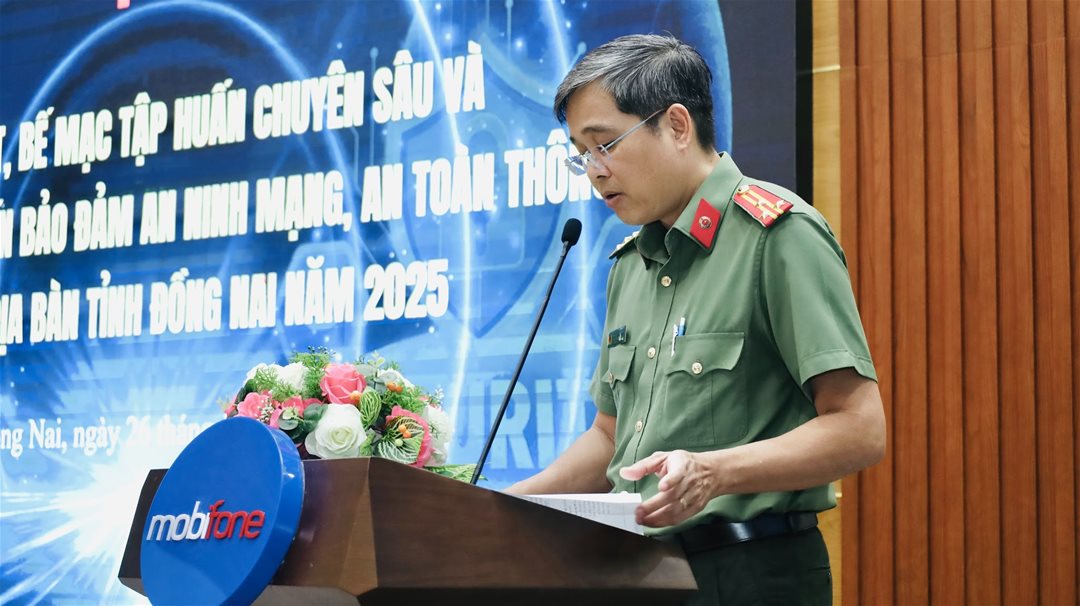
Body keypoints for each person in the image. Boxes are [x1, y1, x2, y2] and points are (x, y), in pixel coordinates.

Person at [505, 34, 886, 605]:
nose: (594, 171)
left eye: (605, 144)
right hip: (638, 574)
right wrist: (506, 505)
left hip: (751, 573)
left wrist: (716, 472)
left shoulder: (778, 235)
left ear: (678, 125)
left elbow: (859, 428)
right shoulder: (630, 265)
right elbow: (609, 437)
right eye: (581, 154)